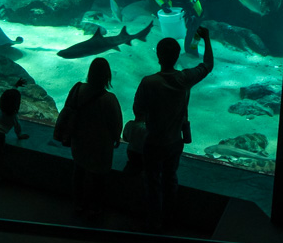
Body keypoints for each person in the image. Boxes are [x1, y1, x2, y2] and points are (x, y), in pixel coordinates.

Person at [131, 27, 214, 232]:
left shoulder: (149, 82)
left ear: (158, 56)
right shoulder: (185, 78)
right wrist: (206, 39)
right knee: (170, 178)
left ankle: (153, 222)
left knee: (152, 182)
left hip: (153, 142)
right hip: (175, 142)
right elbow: (208, 65)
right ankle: (170, 220)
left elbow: (138, 112)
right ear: (177, 57)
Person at [62, 57, 123, 222]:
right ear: (107, 76)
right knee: (99, 179)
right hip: (100, 147)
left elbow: (67, 110)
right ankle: (95, 208)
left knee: (79, 173)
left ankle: (78, 204)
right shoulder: (109, 99)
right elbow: (117, 124)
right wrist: (116, 138)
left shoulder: (78, 89)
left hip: (79, 143)